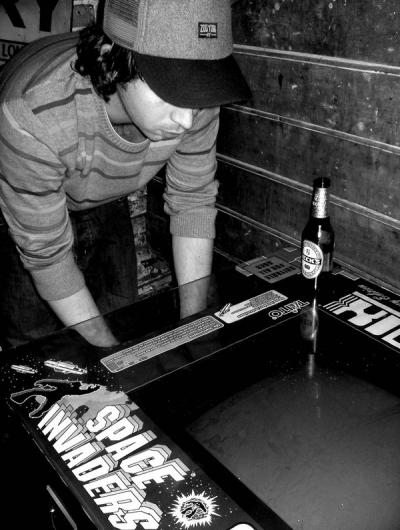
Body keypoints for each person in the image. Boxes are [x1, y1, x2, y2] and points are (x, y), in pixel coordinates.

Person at [0, 0, 250, 349]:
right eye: (172, 90)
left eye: (198, 92)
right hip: (20, 190)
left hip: (98, 186)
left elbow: (192, 200)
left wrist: (193, 329)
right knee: (35, 342)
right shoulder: (31, 114)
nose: (187, 120)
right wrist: (113, 359)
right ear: (111, 60)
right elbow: (47, 255)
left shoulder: (196, 104)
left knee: (123, 313)